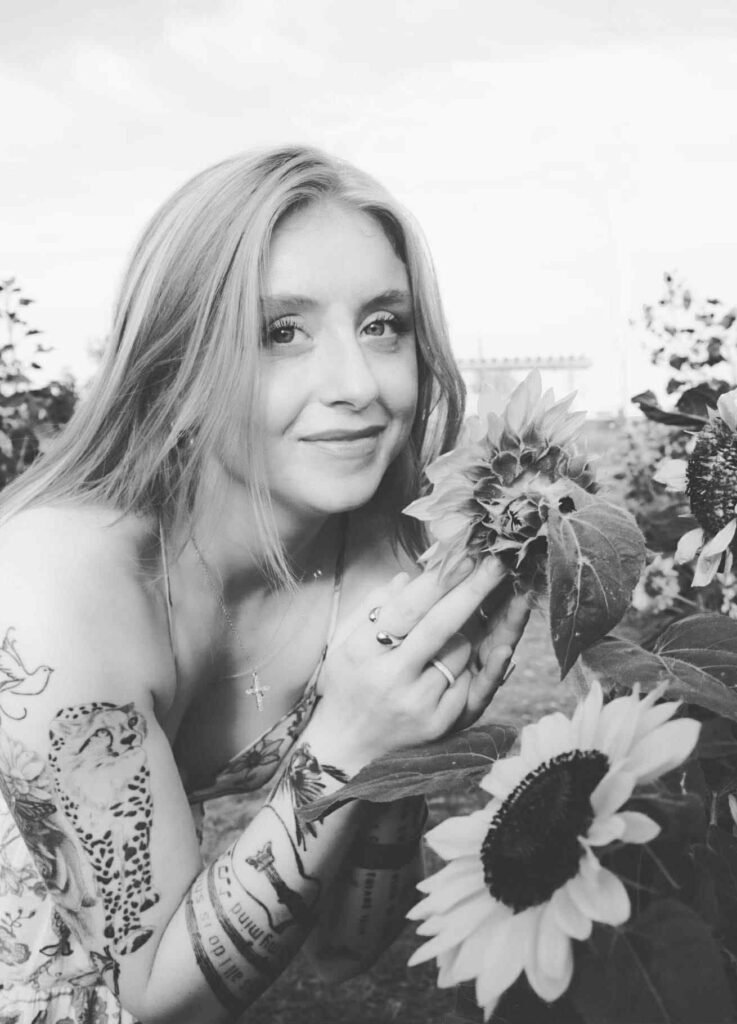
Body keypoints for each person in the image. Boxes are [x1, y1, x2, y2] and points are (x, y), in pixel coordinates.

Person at [0, 146, 528, 1023]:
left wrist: (410, 733)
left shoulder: (376, 567)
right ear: (175, 361)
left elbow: (347, 949)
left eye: (383, 324)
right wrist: (348, 740)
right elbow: (155, 999)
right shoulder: (54, 584)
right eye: (281, 331)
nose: (358, 386)